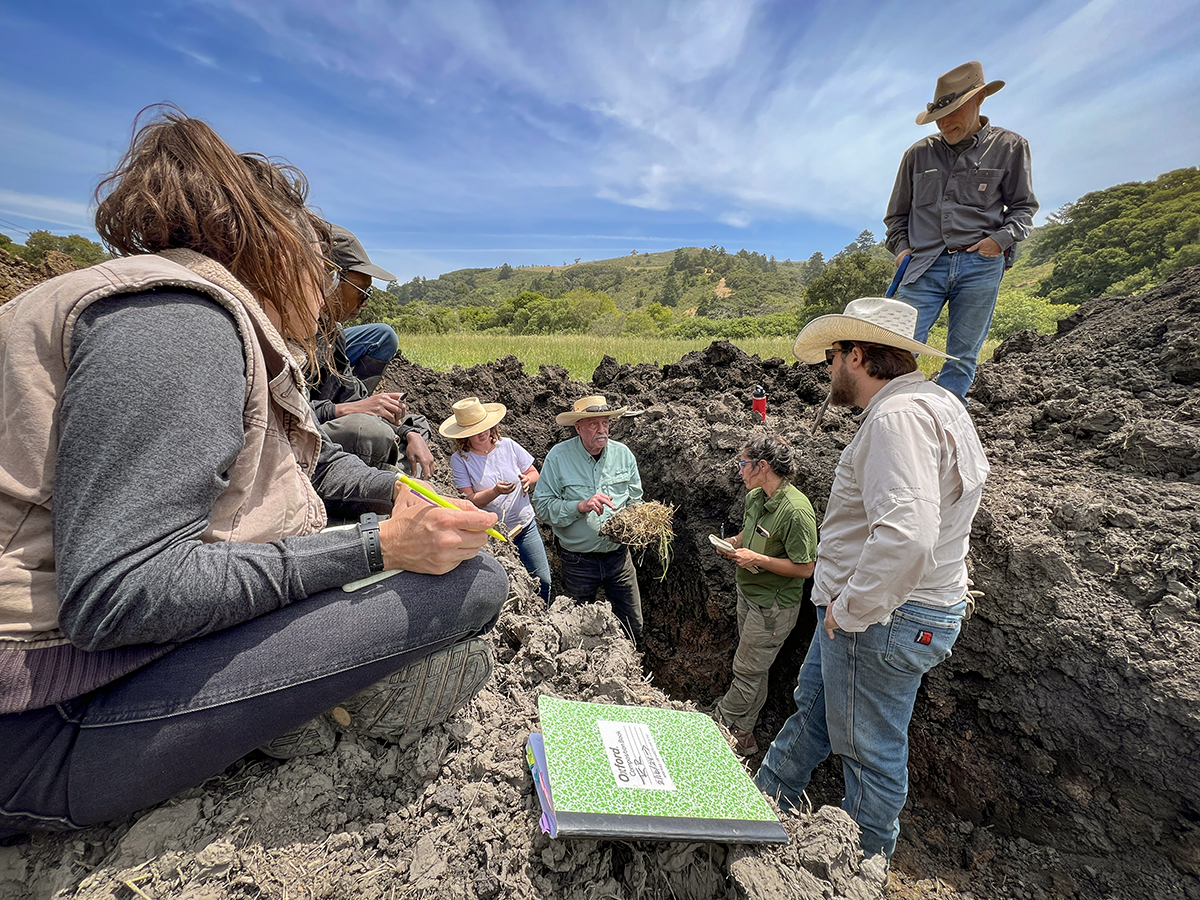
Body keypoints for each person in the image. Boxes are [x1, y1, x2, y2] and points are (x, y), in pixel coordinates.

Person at [0, 111, 508, 838]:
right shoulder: (180, 322)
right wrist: (379, 548)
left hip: (60, 683)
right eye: (326, 270)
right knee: (473, 583)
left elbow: (298, 462)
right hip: (42, 721)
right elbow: (113, 596)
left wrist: (395, 491)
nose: (330, 293)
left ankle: (296, 707)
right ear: (279, 249)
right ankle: (322, 711)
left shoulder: (200, 315)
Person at [755, 296, 989, 863]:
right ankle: (766, 806)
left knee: (870, 751)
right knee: (813, 705)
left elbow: (908, 534)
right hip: (878, 608)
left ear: (857, 355)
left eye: (834, 355)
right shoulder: (936, 402)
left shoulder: (895, 418)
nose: (829, 367)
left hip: (880, 617)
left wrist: (849, 609)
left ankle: (858, 866)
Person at [884, 60, 1038, 404]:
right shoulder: (918, 155)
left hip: (979, 266)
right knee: (897, 350)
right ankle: (889, 413)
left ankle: (948, 418)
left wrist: (998, 243)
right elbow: (896, 216)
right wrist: (901, 249)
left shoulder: (1010, 147)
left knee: (963, 353)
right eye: (939, 114)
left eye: (954, 110)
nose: (944, 122)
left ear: (980, 98)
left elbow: (1024, 209)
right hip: (923, 265)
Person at [713, 434, 817, 757]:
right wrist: (735, 542)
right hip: (750, 595)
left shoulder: (797, 512)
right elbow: (751, 531)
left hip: (772, 608)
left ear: (763, 466)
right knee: (754, 670)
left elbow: (806, 568)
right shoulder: (756, 496)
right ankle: (743, 736)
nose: (739, 471)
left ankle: (718, 723)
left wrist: (758, 559)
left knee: (746, 672)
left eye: (744, 464)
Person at [309, 224, 435, 478]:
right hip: (305, 432)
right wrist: (343, 410)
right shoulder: (288, 331)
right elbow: (285, 414)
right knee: (368, 432)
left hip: (328, 419)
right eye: (361, 291)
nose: (365, 302)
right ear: (329, 277)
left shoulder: (333, 332)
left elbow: (349, 393)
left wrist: (405, 429)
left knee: (416, 424)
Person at [531, 396, 644, 639]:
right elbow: (542, 506)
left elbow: (636, 501)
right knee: (577, 631)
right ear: (578, 427)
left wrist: (639, 523)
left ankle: (630, 669)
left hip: (619, 559)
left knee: (633, 627)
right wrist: (580, 506)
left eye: (605, 423)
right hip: (578, 562)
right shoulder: (558, 457)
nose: (602, 430)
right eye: (593, 424)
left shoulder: (623, 455)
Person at [441, 397, 553, 605]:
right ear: (464, 436)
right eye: (475, 431)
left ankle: (542, 619)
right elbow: (471, 500)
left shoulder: (508, 446)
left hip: (525, 526)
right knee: (505, 588)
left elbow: (533, 471)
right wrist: (495, 492)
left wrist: (528, 480)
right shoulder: (460, 460)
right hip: (491, 536)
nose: (483, 433)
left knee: (543, 580)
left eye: (484, 427)